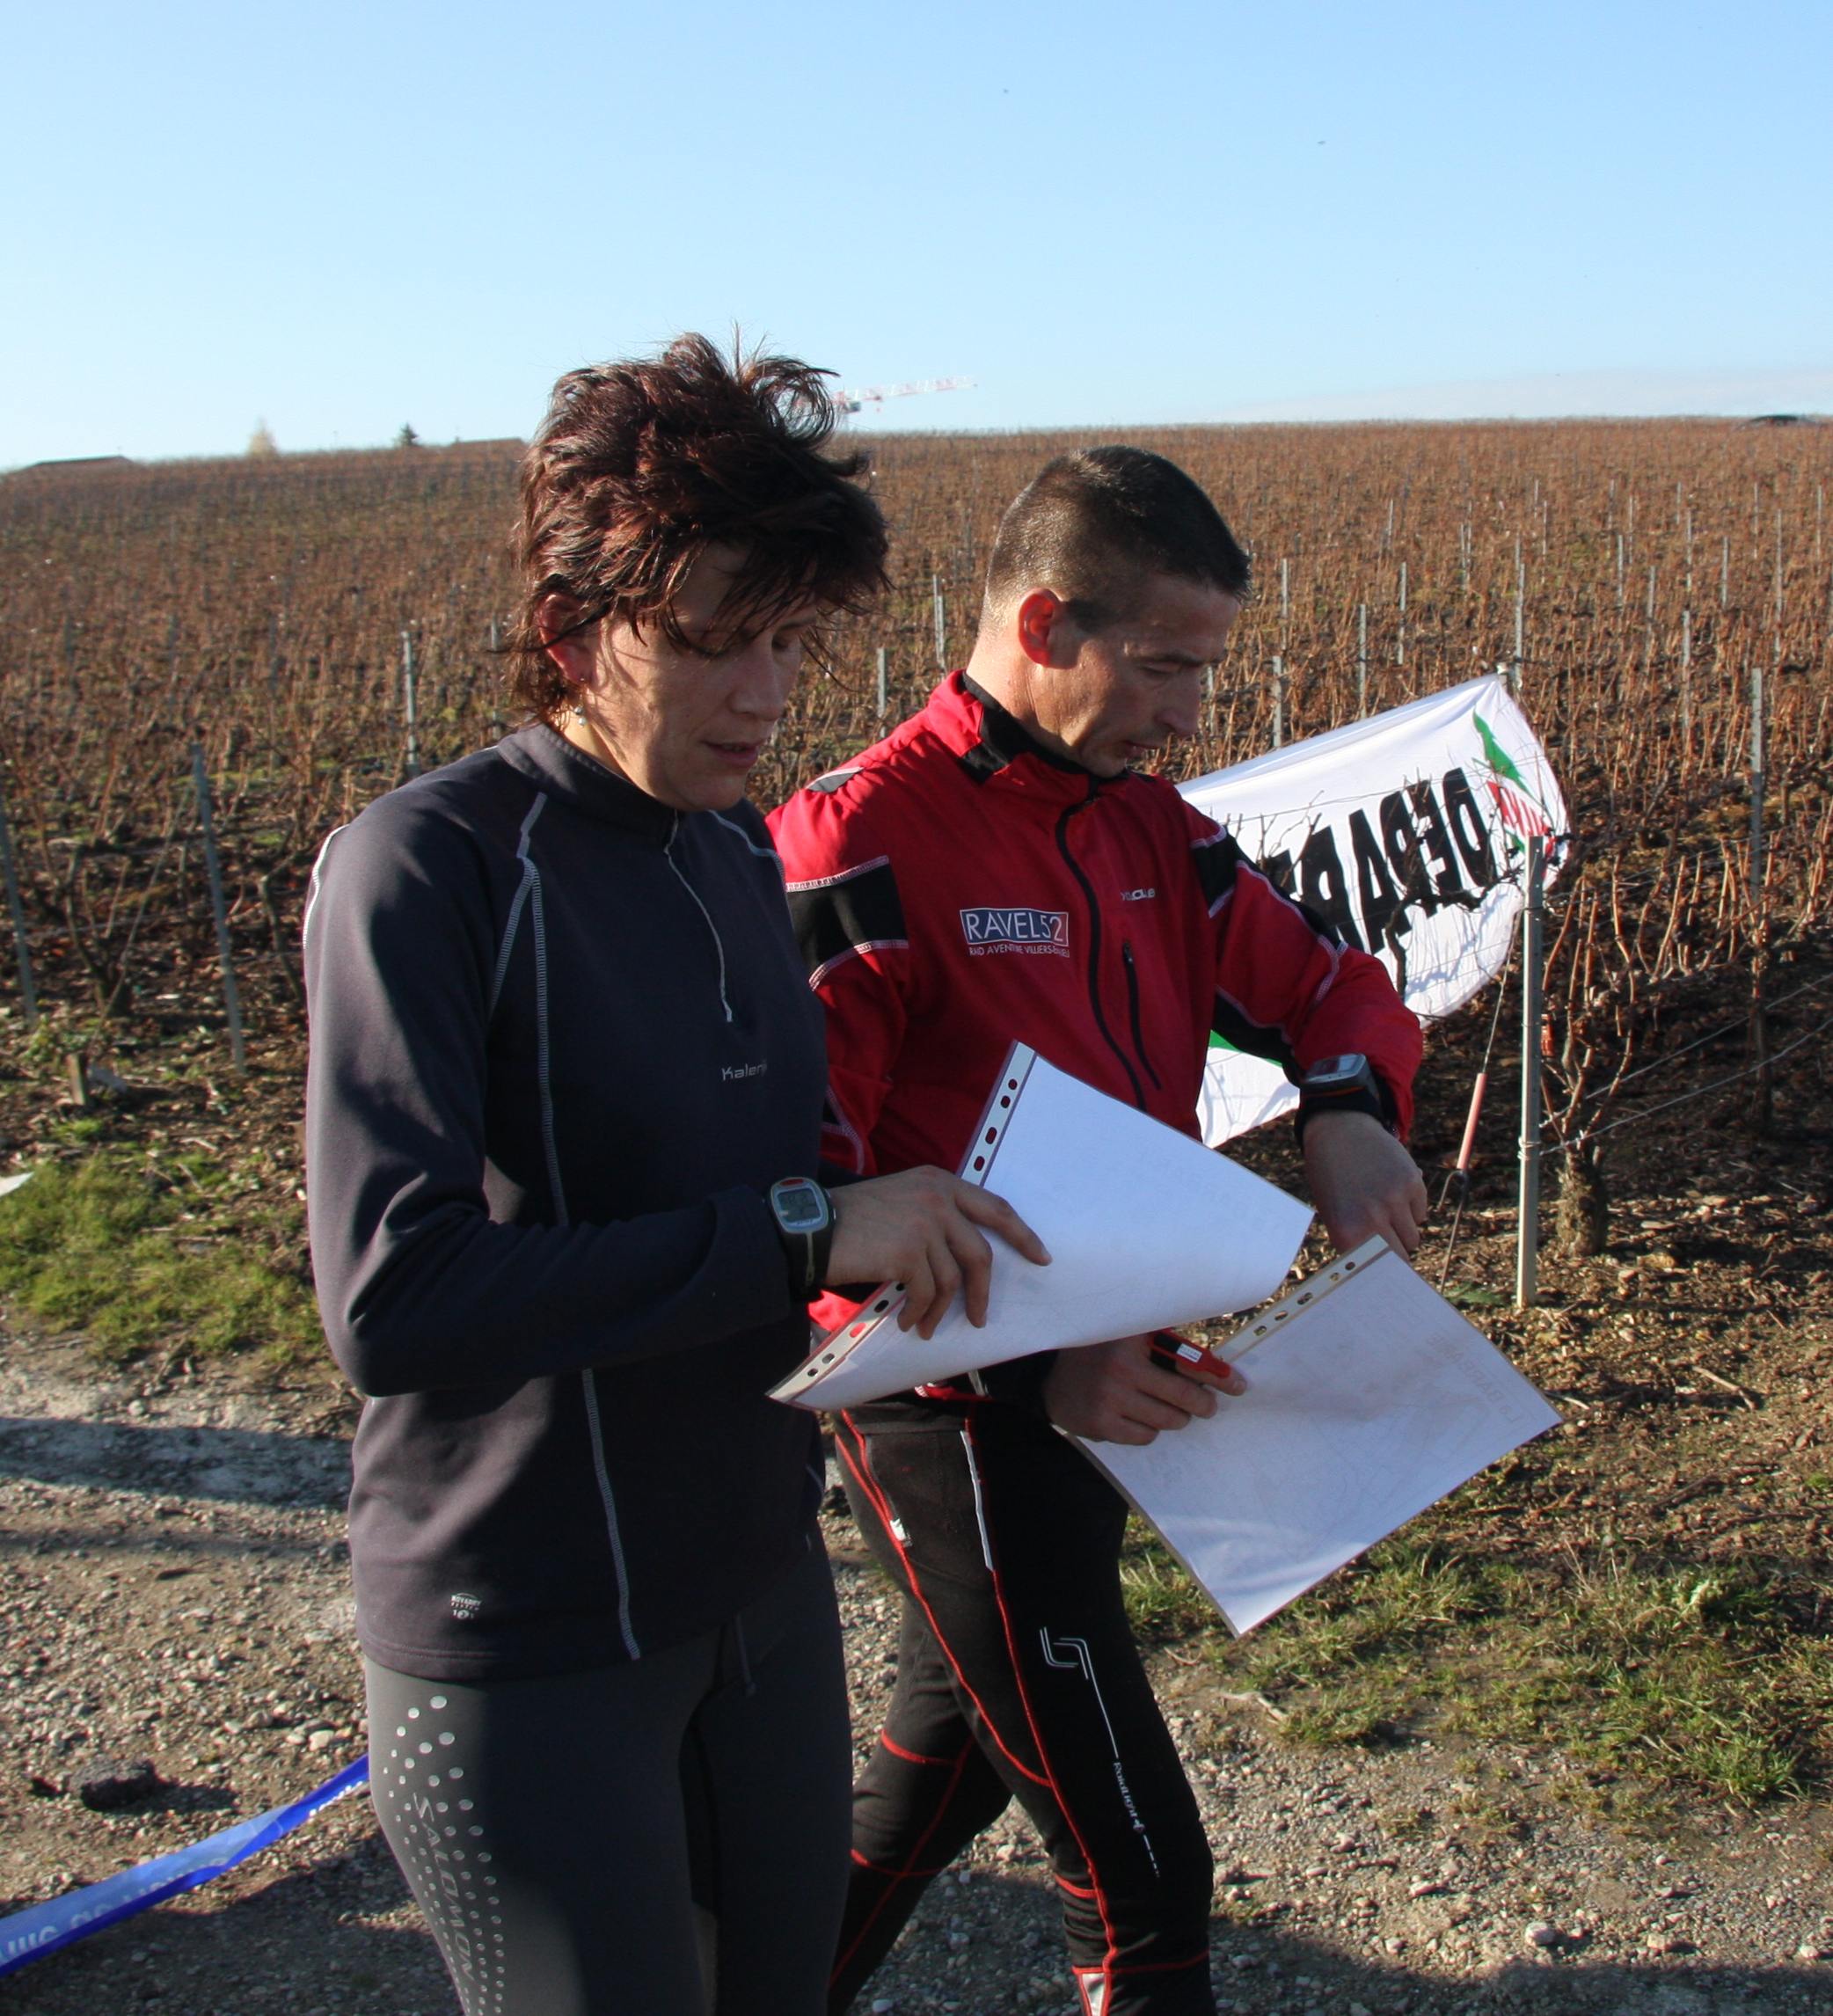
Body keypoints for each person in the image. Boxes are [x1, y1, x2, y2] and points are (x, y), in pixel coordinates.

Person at [303, 335, 1046, 2016]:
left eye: (790, 640)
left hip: (759, 1594)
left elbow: (787, 1207)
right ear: (574, 630)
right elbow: (394, 1301)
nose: (767, 693)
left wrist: (975, 1272)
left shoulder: (732, 854)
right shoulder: (426, 869)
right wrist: (804, 1234)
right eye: (714, 642)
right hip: (528, 1635)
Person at [768, 446, 1428, 2016]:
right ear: (1044, 625)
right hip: (950, 1415)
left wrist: (1347, 1107)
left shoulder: (1152, 833)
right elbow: (800, 1215)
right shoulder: (854, 849)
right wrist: (1028, 1372)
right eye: (1165, 667)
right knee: (1140, 1878)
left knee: (944, 1769)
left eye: (1207, 671)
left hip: (1099, 1385)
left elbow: (1332, 983)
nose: (1192, 715)